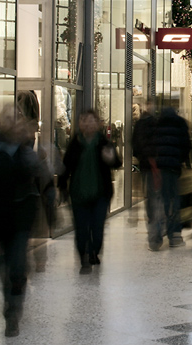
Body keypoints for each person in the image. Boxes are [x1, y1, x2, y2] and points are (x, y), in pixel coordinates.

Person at [0, 105, 51, 337]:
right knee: (8, 267)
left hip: (22, 216)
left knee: (15, 264)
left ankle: (13, 312)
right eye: (7, 118)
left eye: (16, 118)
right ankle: (11, 303)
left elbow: (41, 178)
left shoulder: (26, 151)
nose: (12, 122)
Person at [58, 110, 121, 274]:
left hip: (101, 194)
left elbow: (117, 162)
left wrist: (111, 159)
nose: (88, 124)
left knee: (97, 228)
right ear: (79, 123)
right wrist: (61, 186)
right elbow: (66, 167)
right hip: (79, 194)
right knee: (81, 228)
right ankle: (84, 256)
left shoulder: (104, 143)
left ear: (98, 123)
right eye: (84, 120)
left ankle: (94, 250)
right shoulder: (75, 143)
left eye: (91, 120)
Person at [151, 107, 192, 249]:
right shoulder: (180, 123)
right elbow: (187, 145)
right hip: (174, 167)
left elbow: (152, 145)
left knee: (161, 199)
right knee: (174, 199)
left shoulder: (157, 124)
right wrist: (184, 162)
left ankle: (156, 235)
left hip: (160, 168)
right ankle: (174, 234)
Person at [132, 99, 159, 249]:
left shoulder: (142, 124)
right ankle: (155, 232)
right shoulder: (153, 123)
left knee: (151, 197)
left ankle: (154, 232)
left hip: (148, 165)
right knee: (154, 197)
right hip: (151, 165)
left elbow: (135, 145)